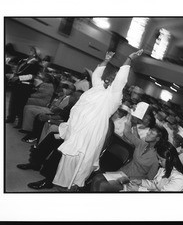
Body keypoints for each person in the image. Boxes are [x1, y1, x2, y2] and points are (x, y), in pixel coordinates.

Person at [52, 49, 144, 190]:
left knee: (82, 161)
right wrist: (106, 60)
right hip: (77, 127)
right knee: (68, 158)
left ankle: (74, 187)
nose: (111, 78)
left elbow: (120, 80)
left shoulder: (114, 96)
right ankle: (62, 185)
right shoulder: (98, 87)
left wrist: (129, 58)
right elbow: (96, 75)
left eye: (114, 78)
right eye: (111, 75)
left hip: (92, 130)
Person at [90, 113, 168, 192]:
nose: (148, 133)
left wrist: (135, 181)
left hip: (132, 181)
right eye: (149, 131)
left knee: (102, 184)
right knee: (97, 178)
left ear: (158, 139)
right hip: (122, 172)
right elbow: (127, 133)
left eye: (151, 133)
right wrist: (130, 120)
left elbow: (149, 179)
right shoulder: (142, 144)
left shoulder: (156, 158)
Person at [6, 46, 42, 125]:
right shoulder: (24, 60)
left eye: (32, 50)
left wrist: (18, 78)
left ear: (35, 54)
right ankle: (11, 117)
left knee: (20, 104)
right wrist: (14, 76)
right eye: (30, 49)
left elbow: (32, 76)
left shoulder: (35, 63)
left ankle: (20, 122)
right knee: (12, 102)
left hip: (25, 86)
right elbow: (18, 71)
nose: (30, 51)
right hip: (17, 84)